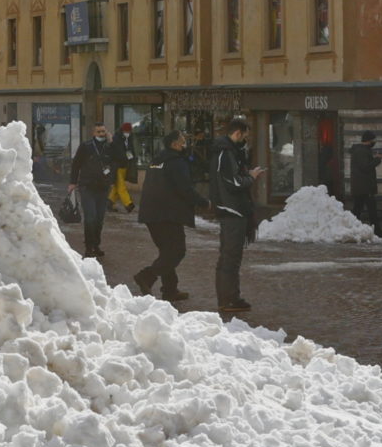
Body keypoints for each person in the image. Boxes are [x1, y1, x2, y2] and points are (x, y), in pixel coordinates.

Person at [132, 129, 199, 303]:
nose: (185, 143)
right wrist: (204, 202)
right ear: (175, 144)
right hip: (167, 214)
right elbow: (184, 188)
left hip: (151, 213)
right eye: (183, 141)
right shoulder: (176, 162)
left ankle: (170, 290)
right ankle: (146, 276)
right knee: (177, 251)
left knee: (167, 252)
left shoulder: (157, 160)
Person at [211, 117, 262, 315]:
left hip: (232, 209)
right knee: (230, 257)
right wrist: (251, 177)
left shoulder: (227, 152)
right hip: (232, 210)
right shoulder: (226, 153)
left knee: (231, 257)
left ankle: (231, 296)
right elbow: (232, 182)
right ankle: (227, 299)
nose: (245, 141)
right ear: (237, 133)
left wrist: (246, 174)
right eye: (244, 137)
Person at [69, 117, 126, 259]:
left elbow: (123, 160)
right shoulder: (86, 146)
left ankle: (96, 245)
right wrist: (72, 182)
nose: (101, 134)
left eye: (103, 131)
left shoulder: (110, 146)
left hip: (103, 187)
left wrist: (112, 142)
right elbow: (76, 164)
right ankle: (89, 247)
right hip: (87, 186)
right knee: (90, 217)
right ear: (93, 133)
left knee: (99, 218)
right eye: (98, 132)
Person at [347, 133, 380, 230]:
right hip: (365, 186)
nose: (374, 142)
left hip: (362, 185)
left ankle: (350, 227)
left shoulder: (361, 150)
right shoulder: (361, 151)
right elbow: (365, 167)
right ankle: (377, 230)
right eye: (373, 140)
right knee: (371, 210)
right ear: (369, 140)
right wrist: (377, 160)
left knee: (358, 209)